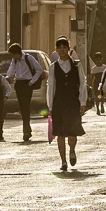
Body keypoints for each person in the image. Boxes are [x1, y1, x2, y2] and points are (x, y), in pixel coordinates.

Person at [46, 38, 86, 172]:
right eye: (59, 48)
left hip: (73, 103)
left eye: (64, 47)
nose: (62, 50)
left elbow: (82, 84)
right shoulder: (53, 67)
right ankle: (63, 161)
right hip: (59, 103)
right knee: (60, 133)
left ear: (68, 48)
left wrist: (83, 101)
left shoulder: (76, 65)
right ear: (56, 50)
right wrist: (50, 106)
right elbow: (51, 86)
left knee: (72, 133)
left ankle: (72, 151)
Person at [5, 41, 46, 142]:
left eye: (13, 55)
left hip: (27, 84)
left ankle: (26, 131)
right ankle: (27, 130)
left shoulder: (28, 58)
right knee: (22, 108)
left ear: (17, 53)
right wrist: (7, 78)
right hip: (18, 84)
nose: (13, 57)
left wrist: (31, 82)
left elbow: (39, 70)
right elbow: (10, 72)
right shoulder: (14, 61)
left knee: (25, 107)